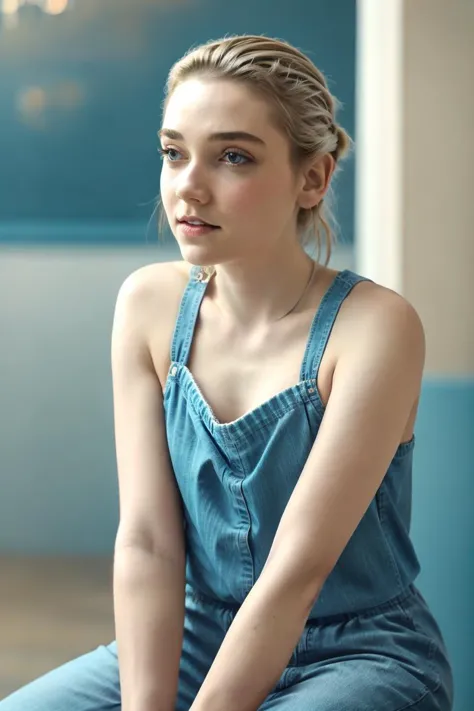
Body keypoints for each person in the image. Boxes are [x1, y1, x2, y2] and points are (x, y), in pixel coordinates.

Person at [1, 34, 453, 711]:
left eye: (233, 156)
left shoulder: (374, 327)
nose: (189, 184)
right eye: (173, 152)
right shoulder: (148, 306)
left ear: (314, 177)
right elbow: (150, 541)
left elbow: (295, 574)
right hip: (197, 638)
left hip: (359, 654)